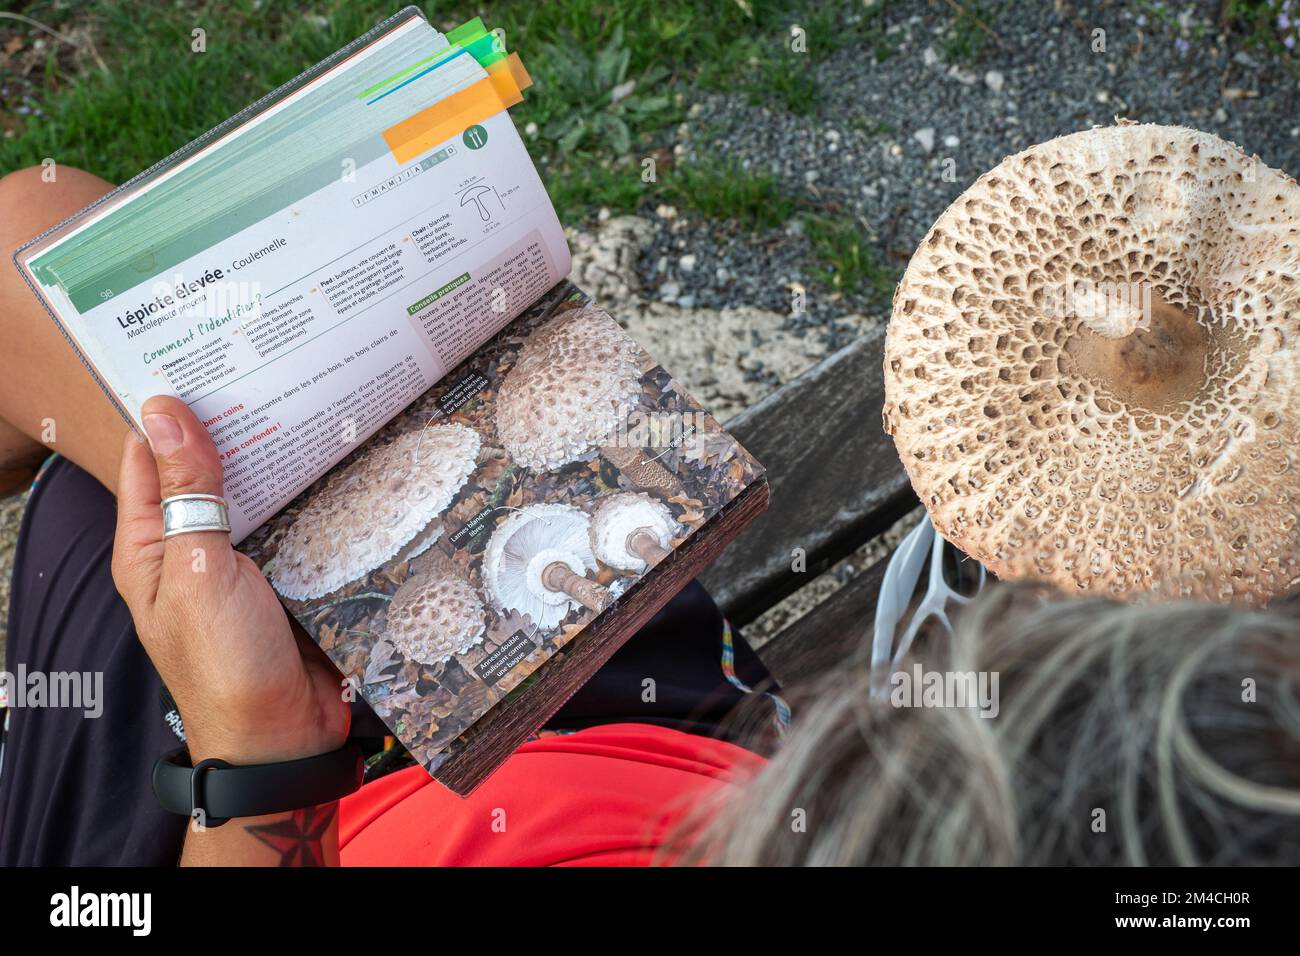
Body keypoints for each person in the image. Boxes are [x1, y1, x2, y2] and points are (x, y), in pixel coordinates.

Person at [0, 166, 777, 866]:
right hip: (648, 738)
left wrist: (264, 751)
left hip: (297, 790)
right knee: (35, 225)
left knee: (33, 268)